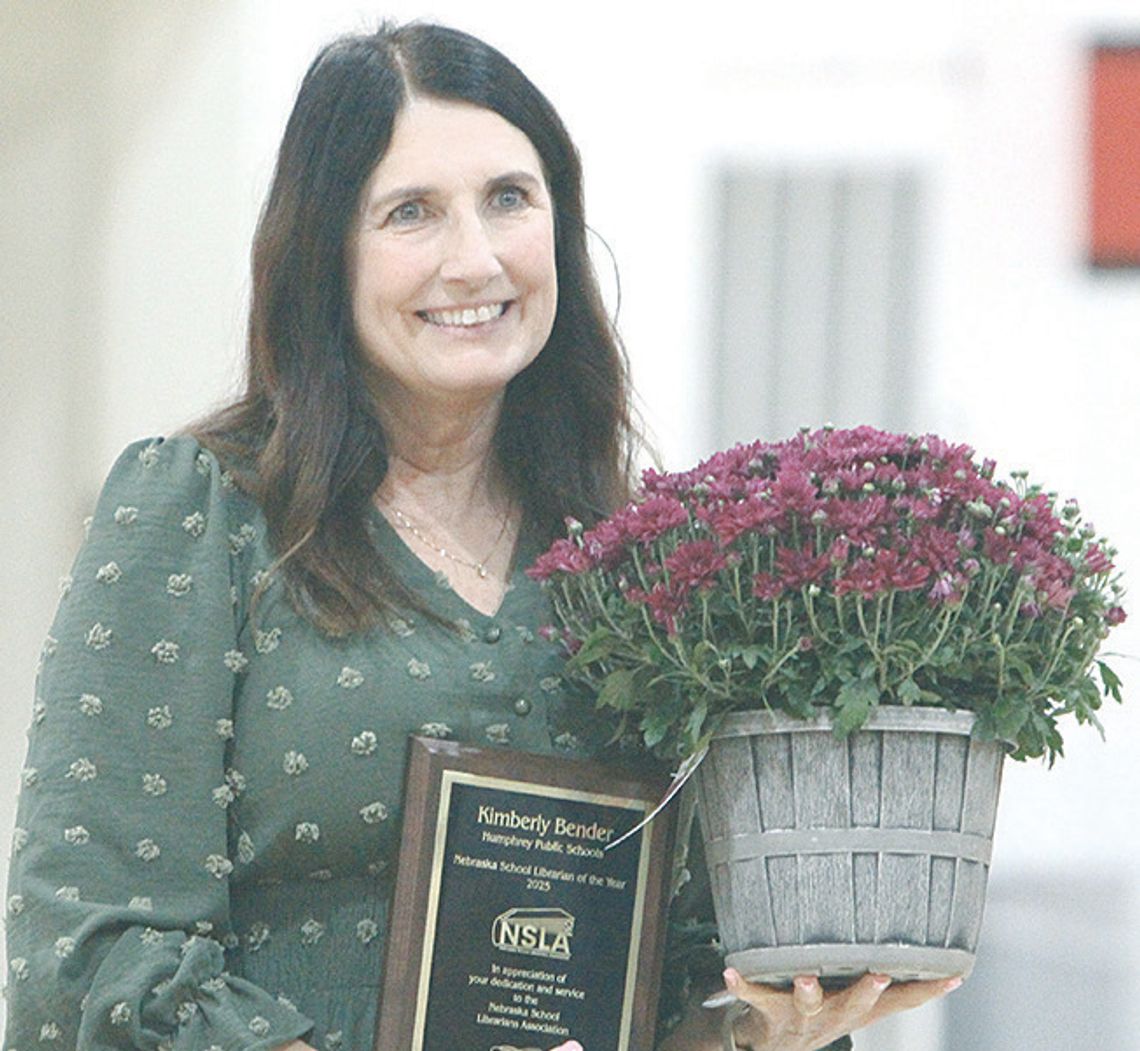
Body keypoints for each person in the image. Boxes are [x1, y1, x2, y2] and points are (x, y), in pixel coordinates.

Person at [4, 21, 957, 1051]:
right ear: (324, 254)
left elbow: (677, 967)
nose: (475, 257)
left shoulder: (645, 565)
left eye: (509, 197)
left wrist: (762, 1026)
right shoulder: (202, 512)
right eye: (410, 212)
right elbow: (96, 954)